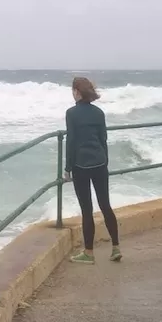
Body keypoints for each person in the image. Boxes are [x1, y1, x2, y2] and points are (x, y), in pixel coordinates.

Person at [64, 76, 122, 264]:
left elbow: (71, 142)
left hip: (81, 165)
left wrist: (67, 168)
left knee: (87, 210)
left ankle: (89, 253)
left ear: (77, 92)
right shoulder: (99, 113)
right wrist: (105, 161)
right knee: (105, 205)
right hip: (100, 163)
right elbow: (103, 139)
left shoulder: (71, 113)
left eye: (73, 90)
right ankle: (115, 248)